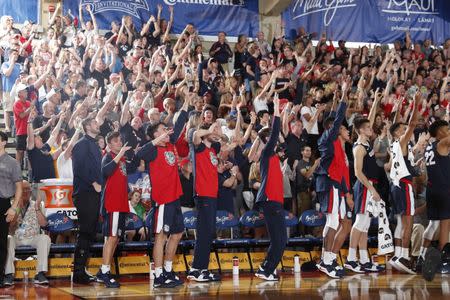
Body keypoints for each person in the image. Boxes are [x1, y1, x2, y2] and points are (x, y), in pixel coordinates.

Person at [136, 98, 188, 288]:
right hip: (163, 199)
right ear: (154, 135)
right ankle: (158, 275)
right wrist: (156, 140)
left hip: (175, 197)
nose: (166, 132)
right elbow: (139, 154)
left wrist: (185, 104)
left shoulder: (170, 145)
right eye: (162, 130)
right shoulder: (152, 150)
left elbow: (180, 123)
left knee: (177, 234)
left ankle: (167, 270)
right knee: (161, 236)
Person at [315, 77, 353, 278]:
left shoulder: (337, 144)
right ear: (335, 128)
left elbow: (333, 116)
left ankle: (328, 259)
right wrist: (345, 94)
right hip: (328, 183)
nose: (345, 128)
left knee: (334, 223)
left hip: (335, 184)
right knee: (331, 222)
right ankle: (325, 261)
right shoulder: (328, 138)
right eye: (342, 127)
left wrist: (338, 97)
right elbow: (335, 118)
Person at [345, 113, 384, 273]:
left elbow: (372, 117)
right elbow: (358, 173)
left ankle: (364, 260)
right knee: (360, 223)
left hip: (370, 186)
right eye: (367, 127)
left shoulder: (367, 142)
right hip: (364, 187)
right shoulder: (359, 147)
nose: (371, 128)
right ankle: (350, 259)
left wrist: (375, 100)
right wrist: (372, 189)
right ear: (361, 130)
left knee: (365, 226)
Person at [252, 96, 286, 281]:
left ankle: (267, 268)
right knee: (280, 240)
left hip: (274, 201)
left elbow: (282, 143)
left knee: (280, 239)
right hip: (269, 200)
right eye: (273, 136)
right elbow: (275, 135)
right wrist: (277, 111)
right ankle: (266, 269)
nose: (277, 139)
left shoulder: (274, 157)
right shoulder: (266, 153)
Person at [388, 91, 422, 274]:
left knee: (401, 223)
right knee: (408, 222)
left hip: (395, 184)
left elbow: (397, 124)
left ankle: (397, 255)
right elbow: (413, 123)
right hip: (403, 184)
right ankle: (403, 257)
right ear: (397, 133)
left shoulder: (393, 144)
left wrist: (399, 108)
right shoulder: (400, 141)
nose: (405, 131)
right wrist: (416, 104)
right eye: (402, 130)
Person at [187, 120, 223, 282]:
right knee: (203, 233)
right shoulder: (199, 146)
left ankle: (202, 268)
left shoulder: (213, 150)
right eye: (215, 129)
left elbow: (228, 143)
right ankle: (196, 269)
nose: (217, 132)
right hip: (203, 194)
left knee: (208, 233)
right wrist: (210, 130)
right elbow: (194, 135)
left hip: (212, 194)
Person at [96, 132, 131, 288]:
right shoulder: (108, 156)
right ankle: (104, 271)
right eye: (116, 141)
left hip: (121, 203)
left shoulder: (122, 159)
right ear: (109, 145)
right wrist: (120, 154)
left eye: (120, 140)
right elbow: (106, 172)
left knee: (116, 238)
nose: (119, 143)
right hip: (112, 204)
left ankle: (103, 270)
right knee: (111, 237)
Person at [71, 117, 103, 284]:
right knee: (84, 232)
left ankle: (81, 270)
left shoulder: (94, 144)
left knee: (89, 233)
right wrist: (94, 183)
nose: (98, 125)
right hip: (85, 193)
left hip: (93, 193)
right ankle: (77, 272)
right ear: (87, 126)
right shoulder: (81, 144)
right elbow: (79, 168)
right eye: (95, 123)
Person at [4, 181, 50, 286]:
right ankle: (9, 274)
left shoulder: (36, 204)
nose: (26, 192)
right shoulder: (11, 205)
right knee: (8, 238)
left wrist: (37, 208)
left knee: (45, 238)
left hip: (32, 237)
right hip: (16, 237)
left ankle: (40, 273)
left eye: (28, 189)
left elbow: (44, 224)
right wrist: (18, 207)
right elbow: (10, 226)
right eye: (23, 189)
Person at [422, 120, 450, 279]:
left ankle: (421, 256)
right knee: (445, 225)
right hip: (443, 190)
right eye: (447, 129)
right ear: (439, 132)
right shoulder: (442, 144)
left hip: (431, 190)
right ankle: (442, 261)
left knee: (433, 225)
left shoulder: (429, 147)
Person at [0, 131, 22, 288]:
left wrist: (13, 208)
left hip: (3, 204)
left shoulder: (12, 162)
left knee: (1, 243)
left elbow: (19, 187)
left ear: (4, 142)